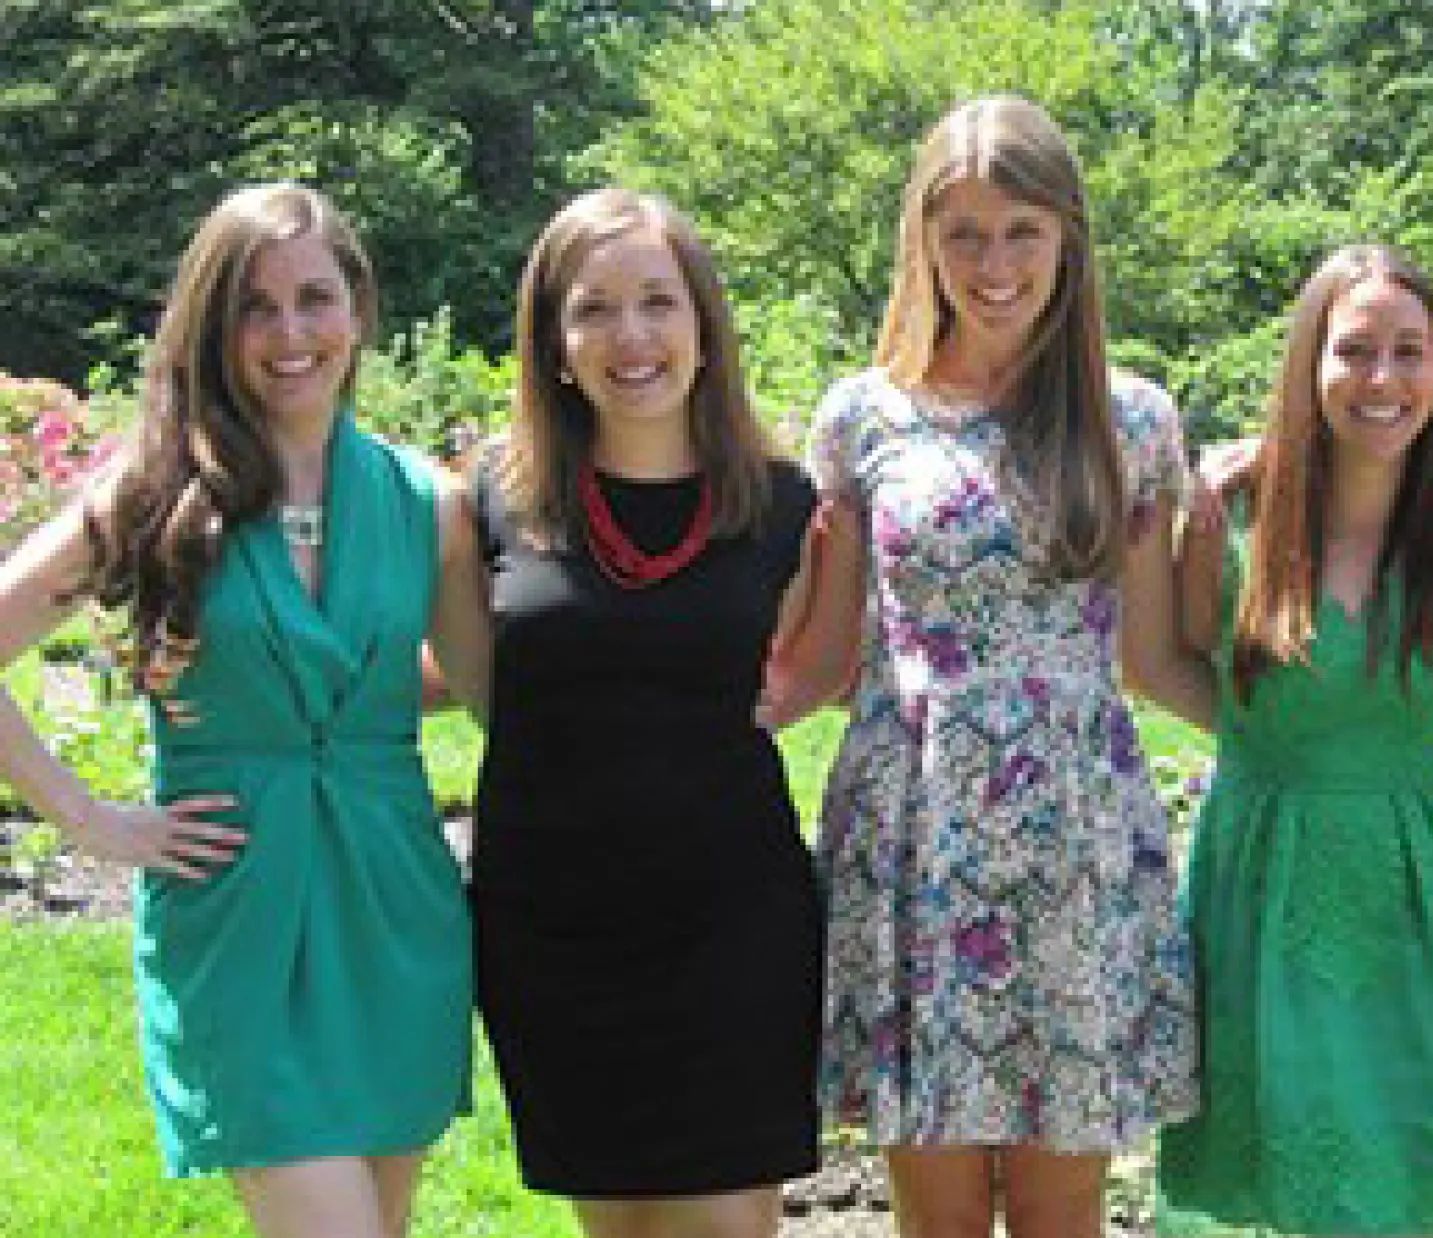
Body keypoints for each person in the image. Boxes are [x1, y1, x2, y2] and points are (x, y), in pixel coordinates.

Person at [0, 182, 480, 1238]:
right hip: (236, 905)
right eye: (256, 306)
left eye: (315, 297)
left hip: (393, 902)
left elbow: (492, 694)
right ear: (213, 326)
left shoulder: (425, 502)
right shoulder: (153, 490)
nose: (291, 332)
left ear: (358, 308)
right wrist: (89, 818)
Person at [766, 94, 1207, 1238]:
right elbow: (815, 659)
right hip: (919, 827)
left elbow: (1156, 656)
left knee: (1064, 1206)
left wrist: (1315, 740)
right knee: (940, 1209)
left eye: (1021, 229)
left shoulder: (1136, 421)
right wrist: (643, 731)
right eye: (962, 231)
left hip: (1076, 832)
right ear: (923, 241)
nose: (994, 262)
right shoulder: (863, 416)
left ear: (1068, 236)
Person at [1153, 244, 1433, 1235]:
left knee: (1413, 1167)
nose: (1383, 378)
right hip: (1265, 872)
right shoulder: (1230, 514)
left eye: (1409, 351)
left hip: (1422, 889)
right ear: (1307, 365)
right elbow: (1161, 660)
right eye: (1354, 349)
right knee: (1280, 1171)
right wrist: (1278, 743)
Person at [459, 188, 823, 1238]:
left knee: (723, 1223)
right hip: (554, 931)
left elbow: (814, 671)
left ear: (704, 326)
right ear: (554, 342)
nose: (631, 336)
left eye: (659, 302)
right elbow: (478, 686)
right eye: (594, 308)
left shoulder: (785, 502)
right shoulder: (491, 496)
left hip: (732, 928)